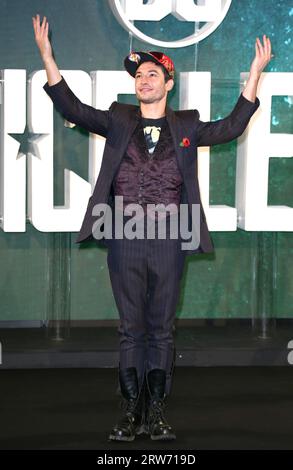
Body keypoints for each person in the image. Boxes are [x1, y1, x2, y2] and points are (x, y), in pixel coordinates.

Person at [32, 13, 272, 442]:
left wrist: (253, 75)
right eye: (138, 76)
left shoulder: (187, 125)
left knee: (161, 328)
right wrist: (48, 57)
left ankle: (156, 413)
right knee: (130, 329)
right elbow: (71, 107)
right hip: (124, 237)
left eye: (151, 74)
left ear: (168, 82)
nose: (143, 80)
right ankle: (129, 413)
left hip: (169, 238)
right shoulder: (119, 119)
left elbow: (232, 127)